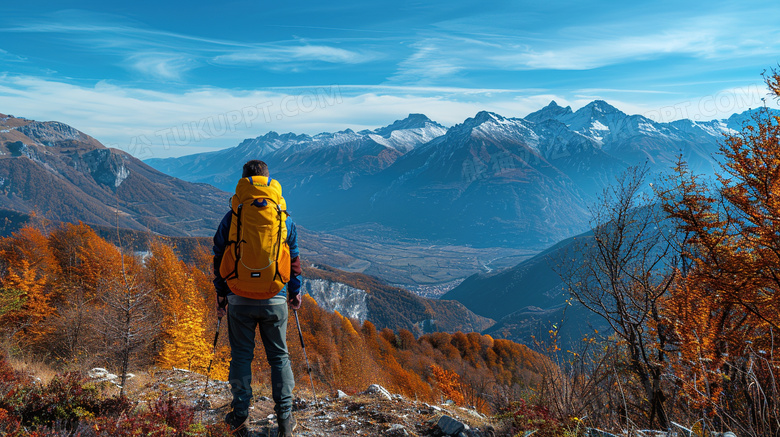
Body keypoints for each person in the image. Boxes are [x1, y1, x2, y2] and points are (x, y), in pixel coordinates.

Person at [213, 160, 303, 437]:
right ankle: (285, 420)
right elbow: (294, 258)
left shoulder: (232, 217)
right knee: (279, 357)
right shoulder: (283, 217)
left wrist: (221, 294)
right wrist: (295, 291)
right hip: (275, 297)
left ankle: (240, 417)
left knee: (241, 356)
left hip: (239, 296)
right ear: (267, 180)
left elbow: (219, 257)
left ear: (243, 181)